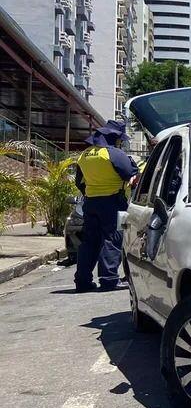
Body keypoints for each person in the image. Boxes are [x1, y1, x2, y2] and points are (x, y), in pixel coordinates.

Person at [74, 120, 138, 292]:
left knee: (89, 241)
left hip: (91, 202)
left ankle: (82, 281)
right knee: (112, 239)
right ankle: (109, 279)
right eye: (120, 139)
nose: (120, 142)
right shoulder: (114, 154)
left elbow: (78, 182)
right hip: (113, 203)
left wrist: (92, 191)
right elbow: (129, 173)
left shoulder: (85, 155)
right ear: (114, 138)